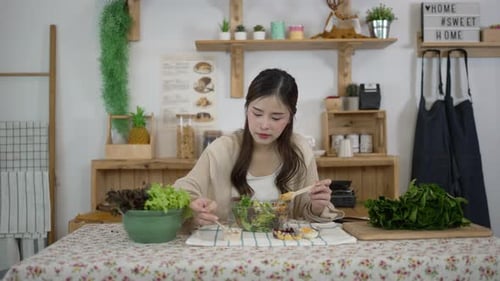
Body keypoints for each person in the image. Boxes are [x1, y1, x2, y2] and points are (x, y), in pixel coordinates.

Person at [174, 68, 343, 230]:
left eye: (276, 117)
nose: (264, 125)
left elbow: (306, 212)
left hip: (283, 246)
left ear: (290, 117)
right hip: (229, 248)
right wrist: (193, 206)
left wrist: (317, 206)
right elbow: (183, 188)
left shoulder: (300, 149)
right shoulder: (222, 149)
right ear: (247, 109)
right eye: (257, 113)